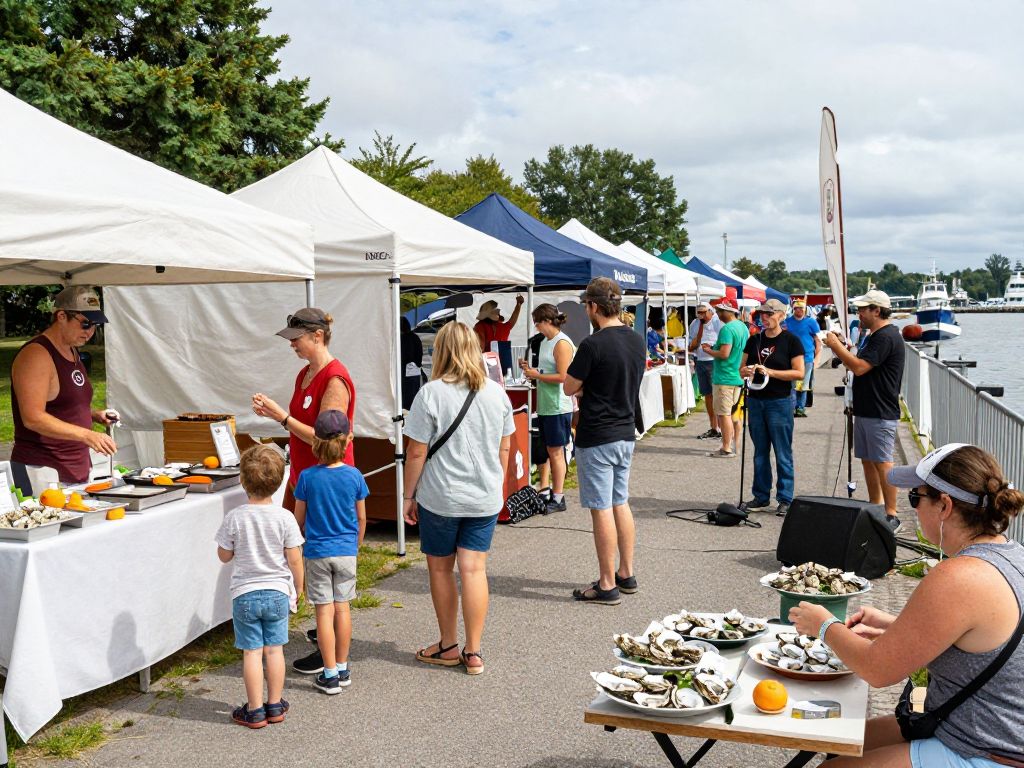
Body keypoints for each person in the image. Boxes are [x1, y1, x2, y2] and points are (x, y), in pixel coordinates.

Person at [789, 443, 1024, 768]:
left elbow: (877, 670)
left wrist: (823, 624)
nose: (911, 506)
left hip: (985, 750)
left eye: (916, 497)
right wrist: (893, 625)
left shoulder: (959, 576)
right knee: (842, 741)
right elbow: (979, 636)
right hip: (982, 729)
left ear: (944, 505)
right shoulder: (1011, 554)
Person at [404, 321, 515, 675]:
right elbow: (505, 445)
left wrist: (409, 496)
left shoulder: (430, 393)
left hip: (441, 497)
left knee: (441, 568)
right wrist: (495, 485)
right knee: (474, 570)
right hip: (483, 496)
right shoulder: (497, 393)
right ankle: (475, 651)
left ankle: (448, 643)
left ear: (440, 351)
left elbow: (416, 453)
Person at [252, 308, 356, 674]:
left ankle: (333, 658)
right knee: (322, 579)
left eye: (296, 338)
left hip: (324, 486)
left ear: (317, 336)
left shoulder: (335, 380)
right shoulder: (306, 375)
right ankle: (328, 642)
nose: (291, 344)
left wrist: (280, 417)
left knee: (322, 577)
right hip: (307, 478)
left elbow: (327, 438)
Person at [563, 277, 646, 606]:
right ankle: (626, 572)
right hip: (625, 431)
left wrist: (587, 386)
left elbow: (570, 387)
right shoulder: (636, 340)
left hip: (597, 433)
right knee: (619, 502)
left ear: (594, 306)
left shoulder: (592, 344)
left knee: (601, 510)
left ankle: (607, 582)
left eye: (586, 305)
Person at [215, 445, 304, 728]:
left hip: (245, 594)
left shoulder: (235, 517)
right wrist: (298, 587)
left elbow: (224, 555)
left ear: (242, 481)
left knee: (251, 652)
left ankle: (254, 710)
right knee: (274, 650)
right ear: (279, 482)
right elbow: (295, 558)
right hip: (278, 591)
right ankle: (275, 704)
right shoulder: (285, 518)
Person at [10, 286, 118, 491]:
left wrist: (94, 415)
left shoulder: (71, 350)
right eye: (85, 324)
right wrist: (88, 435)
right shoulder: (36, 355)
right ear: (61, 316)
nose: (90, 332)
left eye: (95, 325)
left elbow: (62, 404)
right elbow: (33, 417)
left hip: (74, 469)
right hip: (42, 472)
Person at [293, 410, 368, 694]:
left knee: (323, 613)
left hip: (318, 551)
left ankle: (329, 673)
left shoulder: (307, 478)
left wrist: (301, 540)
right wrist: (356, 543)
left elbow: (299, 518)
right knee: (343, 609)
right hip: (346, 550)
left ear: (316, 442)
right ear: (348, 441)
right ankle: (344, 666)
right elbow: (361, 518)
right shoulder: (355, 476)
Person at [824, 289, 905, 532]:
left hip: (880, 410)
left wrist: (836, 346)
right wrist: (846, 346)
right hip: (867, 408)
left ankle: (892, 514)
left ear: (876, 310)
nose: (858, 313)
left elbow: (859, 367)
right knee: (868, 461)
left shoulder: (886, 336)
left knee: (883, 462)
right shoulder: (873, 335)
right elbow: (861, 361)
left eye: (862, 309)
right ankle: (875, 507)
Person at [738, 300, 805, 517]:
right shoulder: (754, 339)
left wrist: (771, 372)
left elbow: (799, 373)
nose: (764, 318)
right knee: (760, 451)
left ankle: (785, 498)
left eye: (769, 314)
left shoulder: (791, 341)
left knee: (782, 452)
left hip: (779, 401)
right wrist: (747, 371)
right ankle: (761, 495)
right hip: (756, 400)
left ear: (781, 315)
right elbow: (741, 368)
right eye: (762, 314)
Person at [519, 304, 575, 513]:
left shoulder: (561, 343)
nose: (536, 327)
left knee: (556, 452)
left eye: (538, 322)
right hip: (546, 404)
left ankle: (558, 497)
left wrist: (537, 375)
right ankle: (551, 490)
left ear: (547, 321)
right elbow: (546, 370)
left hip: (558, 405)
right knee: (550, 451)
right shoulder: (545, 342)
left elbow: (563, 376)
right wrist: (532, 371)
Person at [701, 298, 749, 458]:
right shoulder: (743, 327)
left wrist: (709, 351)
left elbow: (724, 353)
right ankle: (736, 445)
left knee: (724, 413)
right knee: (735, 414)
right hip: (738, 376)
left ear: (728, 311)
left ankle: (726, 448)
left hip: (725, 377)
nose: (717, 314)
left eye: (720, 311)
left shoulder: (727, 329)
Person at [688, 302, 722, 440]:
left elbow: (725, 342)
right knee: (708, 395)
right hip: (701, 361)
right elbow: (691, 344)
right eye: (698, 312)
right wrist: (697, 340)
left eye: (703, 312)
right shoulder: (695, 323)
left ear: (710, 311)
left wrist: (712, 347)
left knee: (718, 395)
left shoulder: (718, 322)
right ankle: (714, 427)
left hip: (714, 361)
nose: (701, 315)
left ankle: (722, 427)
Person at [786, 299, 822, 417]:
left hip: (807, 358)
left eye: (802, 308)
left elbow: (818, 340)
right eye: (797, 308)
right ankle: (792, 406)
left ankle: (800, 408)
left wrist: (816, 358)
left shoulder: (811, 322)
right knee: (792, 384)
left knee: (803, 383)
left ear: (805, 309)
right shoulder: (787, 322)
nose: (800, 310)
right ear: (794, 309)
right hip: (790, 357)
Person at [400, 317, 424, 410]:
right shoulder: (415, 337)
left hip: (405, 374)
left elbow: (405, 356)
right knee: (413, 397)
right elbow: (419, 355)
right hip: (414, 373)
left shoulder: (401, 339)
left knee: (405, 398)